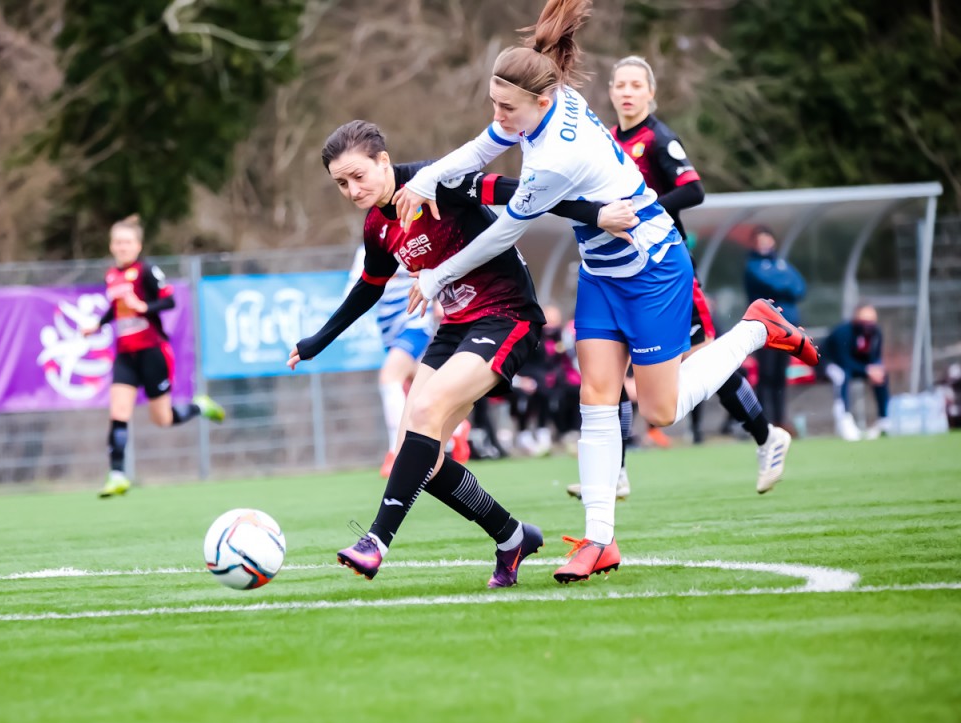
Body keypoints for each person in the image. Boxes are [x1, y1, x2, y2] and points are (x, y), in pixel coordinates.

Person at [392, 0, 820, 584]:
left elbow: (504, 232)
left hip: (652, 267)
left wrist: (436, 275)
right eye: (494, 102)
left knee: (660, 411)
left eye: (506, 106)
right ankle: (599, 541)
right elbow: (482, 145)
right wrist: (423, 179)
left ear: (541, 101)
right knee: (596, 395)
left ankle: (755, 328)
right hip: (600, 269)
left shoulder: (555, 159)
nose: (498, 114)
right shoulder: (544, 102)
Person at [288, 119, 635, 588]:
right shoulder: (377, 226)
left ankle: (375, 542)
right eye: (341, 183)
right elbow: (369, 286)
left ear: (383, 161)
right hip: (455, 327)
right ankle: (511, 535)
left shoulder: (438, 181)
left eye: (358, 176)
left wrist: (595, 214)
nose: (352, 190)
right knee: (418, 456)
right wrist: (317, 341)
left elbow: (521, 192)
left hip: (507, 316)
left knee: (426, 413)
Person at [563, 55, 790, 496]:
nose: (627, 92)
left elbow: (694, 189)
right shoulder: (608, 140)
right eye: (620, 85)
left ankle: (768, 437)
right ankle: (616, 472)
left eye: (636, 85)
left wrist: (644, 212)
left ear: (651, 93)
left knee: (702, 360)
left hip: (665, 274)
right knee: (612, 367)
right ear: (610, 92)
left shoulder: (659, 139)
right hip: (622, 275)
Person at [83, 215, 225, 497]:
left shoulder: (146, 271)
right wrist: (98, 324)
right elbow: (116, 308)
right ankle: (117, 475)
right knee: (118, 413)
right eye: (118, 242)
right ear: (111, 246)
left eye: (127, 242)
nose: (122, 247)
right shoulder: (112, 275)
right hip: (126, 355)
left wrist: (143, 306)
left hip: (152, 352)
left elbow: (169, 300)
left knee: (162, 419)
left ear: (137, 246)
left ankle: (199, 406)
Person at [344, 245, 448, 477]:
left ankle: (397, 451)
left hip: (415, 324)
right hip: (389, 329)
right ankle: (459, 431)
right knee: (422, 387)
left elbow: (436, 272)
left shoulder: (413, 243)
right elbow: (352, 290)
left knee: (389, 377)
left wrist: (439, 302)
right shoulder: (366, 251)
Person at [745, 225, 807, 431]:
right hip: (766, 327)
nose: (763, 244)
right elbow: (775, 285)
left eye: (766, 239)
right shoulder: (752, 266)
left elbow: (800, 287)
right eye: (759, 240)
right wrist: (785, 284)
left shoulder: (781, 263)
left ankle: (781, 420)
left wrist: (785, 284)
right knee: (766, 374)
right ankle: (765, 422)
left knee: (780, 374)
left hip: (787, 329)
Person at [821, 304, 890, 440]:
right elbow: (844, 361)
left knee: (881, 375)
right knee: (841, 376)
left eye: (871, 321)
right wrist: (867, 370)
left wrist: (875, 369)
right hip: (828, 363)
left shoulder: (876, 333)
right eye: (865, 321)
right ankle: (844, 419)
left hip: (855, 366)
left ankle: (884, 421)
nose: (868, 325)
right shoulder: (843, 332)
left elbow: (875, 357)